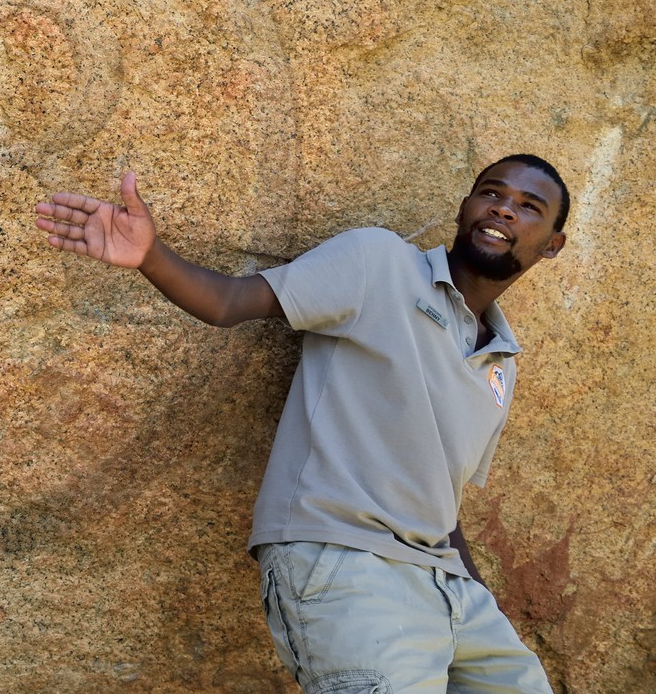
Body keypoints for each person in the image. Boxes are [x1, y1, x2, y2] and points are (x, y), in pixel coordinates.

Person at [34, 155, 569, 693]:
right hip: (349, 566)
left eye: (528, 207)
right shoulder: (379, 263)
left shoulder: (501, 362)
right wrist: (150, 255)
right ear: (465, 207)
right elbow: (228, 302)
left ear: (551, 244)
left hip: (452, 590)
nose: (503, 208)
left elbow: (441, 499)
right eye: (492, 193)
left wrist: (481, 601)